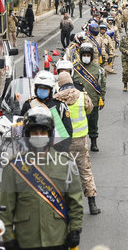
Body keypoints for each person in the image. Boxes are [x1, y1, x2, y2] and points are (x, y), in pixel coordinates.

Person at [0, 106, 83, 250]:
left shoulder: (66, 163)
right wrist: (8, 238)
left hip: (57, 238)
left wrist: (75, 229)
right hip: (26, 240)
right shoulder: (14, 167)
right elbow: (5, 209)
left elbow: (75, 201)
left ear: (50, 134)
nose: (39, 135)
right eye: (34, 132)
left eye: (43, 132)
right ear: (27, 135)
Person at [54, 72, 102, 215]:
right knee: (85, 171)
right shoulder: (82, 96)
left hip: (63, 142)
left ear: (60, 84)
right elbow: (90, 108)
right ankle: (92, 205)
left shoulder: (56, 99)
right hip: (81, 141)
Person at [72, 43, 106, 152]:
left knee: (93, 123)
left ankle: (94, 143)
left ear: (91, 56)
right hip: (77, 102)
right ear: (81, 55)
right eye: (84, 55)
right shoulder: (74, 68)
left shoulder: (98, 69)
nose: (86, 57)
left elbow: (102, 85)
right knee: (78, 124)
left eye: (88, 55)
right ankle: (80, 144)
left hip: (93, 101)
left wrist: (102, 98)